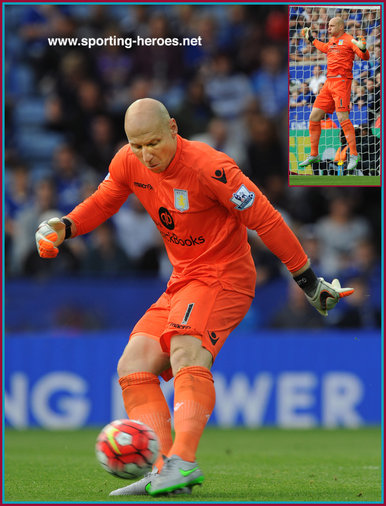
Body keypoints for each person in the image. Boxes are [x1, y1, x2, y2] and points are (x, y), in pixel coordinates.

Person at [35, 98, 354, 497]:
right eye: (136, 145)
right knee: (132, 365)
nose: (145, 155)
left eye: (153, 142)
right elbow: (105, 200)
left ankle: (183, 461)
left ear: (173, 127)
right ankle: (165, 467)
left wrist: (307, 280)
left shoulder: (211, 167)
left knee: (187, 350)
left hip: (225, 277)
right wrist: (65, 226)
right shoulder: (127, 161)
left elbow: (267, 219)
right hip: (183, 279)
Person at [299, 17, 370, 172]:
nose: (328, 28)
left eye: (331, 26)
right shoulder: (331, 40)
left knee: (343, 118)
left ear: (340, 26)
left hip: (342, 83)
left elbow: (365, 56)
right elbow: (324, 47)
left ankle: (353, 154)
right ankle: (314, 154)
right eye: (329, 26)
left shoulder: (350, 40)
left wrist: (363, 49)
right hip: (328, 84)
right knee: (313, 118)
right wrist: (311, 38)